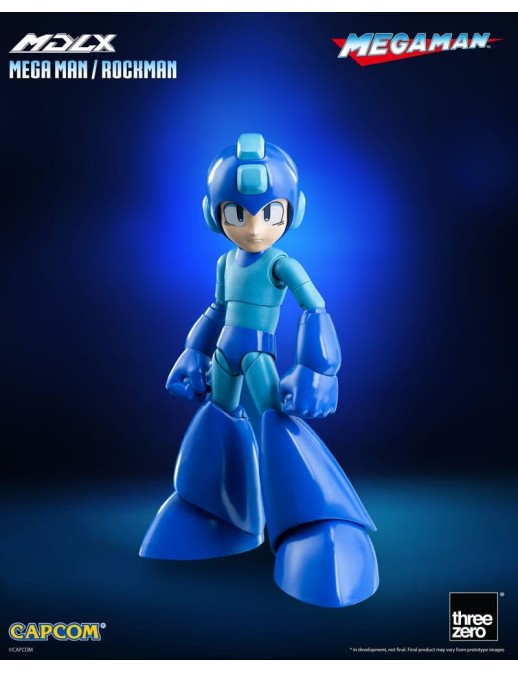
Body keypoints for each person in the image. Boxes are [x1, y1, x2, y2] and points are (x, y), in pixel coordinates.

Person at [140, 134, 379, 607]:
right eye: (238, 214)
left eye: (270, 214)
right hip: (223, 355)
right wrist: (193, 351)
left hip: (257, 356)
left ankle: (317, 519)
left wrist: (316, 367)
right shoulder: (226, 261)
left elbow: (315, 307)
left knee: (276, 424)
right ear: (215, 215)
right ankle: (214, 507)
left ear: (293, 212)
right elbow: (216, 310)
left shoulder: (281, 263)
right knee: (220, 419)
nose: (254, 228)